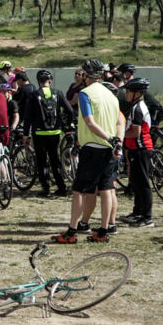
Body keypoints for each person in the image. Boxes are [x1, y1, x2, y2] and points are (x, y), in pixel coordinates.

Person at [52, 59, 124, 244]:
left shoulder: (85, 93)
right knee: (106, 189)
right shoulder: (111, 95)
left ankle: (71, 232)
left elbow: (90, 122)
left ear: (85, 75)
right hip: (108, 150)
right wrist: (117, 142)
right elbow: (118, 122)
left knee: (79, 191)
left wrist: (109, 139)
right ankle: (103, 231)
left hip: (93, 148)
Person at [22, 70, 74, 198]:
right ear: (50, 81)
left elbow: (27, 117)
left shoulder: (34, 95)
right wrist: (67, 124)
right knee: (54, 158)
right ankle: (61, 186)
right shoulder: (58, 93)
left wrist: (26, 135)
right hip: (55, 132)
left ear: (39, 82)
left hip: (39, 133)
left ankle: (46, 189)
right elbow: (70, 111)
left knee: (42, 160)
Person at [119, 78, 155, 228]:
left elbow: (135, 132)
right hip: (135, 149)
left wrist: (119, 135)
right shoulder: (136, 106)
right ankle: (137, 212)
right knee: (136, 181)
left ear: (138, 93)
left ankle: (147, 217)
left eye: (129, 91)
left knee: (143, 184)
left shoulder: (138, 109)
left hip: (141, 149)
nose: (126, 94)